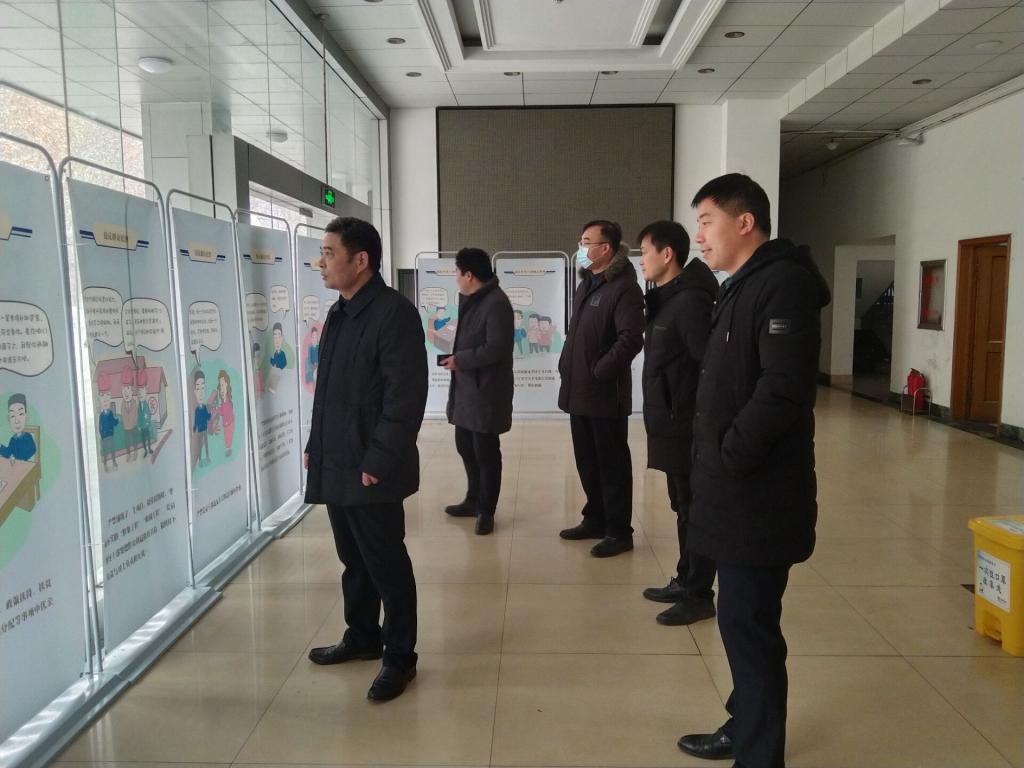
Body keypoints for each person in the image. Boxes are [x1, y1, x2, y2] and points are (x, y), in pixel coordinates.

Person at [677, 174, 830, 768]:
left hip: (759, 494)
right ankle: (744, 725)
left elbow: (783, 389)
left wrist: (729, 454)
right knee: (743, 621)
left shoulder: (782, 285)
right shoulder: (740, 285)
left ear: (745, 222)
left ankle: (759, 754)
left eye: (706, 221)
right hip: (734, 489)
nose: (699, 236)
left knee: (748, 625)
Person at [304, 216, 427, 703]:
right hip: (337, 457)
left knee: (386, 563)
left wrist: (379, 458)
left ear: (361, 260)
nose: (321, 262)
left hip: (372, 466)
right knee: (352, 558)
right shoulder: (340, 312)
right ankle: (362, 636)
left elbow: (405, 398)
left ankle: (399, 656)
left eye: (329, 253)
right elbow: (328, 391)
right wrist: (316, 443)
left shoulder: (393, 314)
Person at [637, 220, 719, 626]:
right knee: (682, 507)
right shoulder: (668, 299)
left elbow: (710, 368)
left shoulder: (689, 303)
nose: (641, 261)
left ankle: (699, 593)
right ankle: (686, 578)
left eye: (644, 253)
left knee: (694, 510)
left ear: (666, 254)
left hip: (686, 425)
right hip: (671, 422)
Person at [557, 220, 644, 558]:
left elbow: (630, 339)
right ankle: (595, 518)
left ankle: (619, 531)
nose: (580, 248)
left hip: (605, 394)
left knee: (612, 465)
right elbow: (576, 333)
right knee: (587, 461)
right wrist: (567, 364)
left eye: (586, 242)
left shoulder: (624, 288)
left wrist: (599, 371)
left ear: (605, 248)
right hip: (579, 390)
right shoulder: (587, 284)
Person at [441, 247, 514, 536]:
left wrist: (460, 360)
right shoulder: (473, 300)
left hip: (486, 392)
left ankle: (486, 510)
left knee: (485, 453)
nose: (456, 278)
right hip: (466, 389)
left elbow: (496, 348)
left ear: (469, 275)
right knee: (465, 446)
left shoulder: (496, 303)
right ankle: (472, 500)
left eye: (457, 272)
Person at [1, 394, 36, 463]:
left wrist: (22, 458)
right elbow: (9, 452)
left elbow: (33, 449)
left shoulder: (28, 437)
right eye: (12, 416)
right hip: (15, 465)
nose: (16, 421)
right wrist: (1, 448)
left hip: (24, 465)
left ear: (26, 416)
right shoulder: (13, 439)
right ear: (8, 419)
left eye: (20, 414)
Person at [192, 369, 211, 468]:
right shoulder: (197, 410)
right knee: (200, 446)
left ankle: (207, 456)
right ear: (194, 391)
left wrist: (210, 414)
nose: (201, 392)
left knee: (206, 444)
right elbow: (196, 420)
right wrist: (194, 427)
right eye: (198, 388)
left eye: (203, 387)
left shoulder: (204, 407)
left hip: (205, 430)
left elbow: (207, 417)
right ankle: (200, 460)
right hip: (200, 431)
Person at [120, 368, 139, 461]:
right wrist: (124, 424)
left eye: (128, 388)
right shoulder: (122, 404)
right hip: (126, 428)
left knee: (134, 440)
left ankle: (135, 452)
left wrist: (134, 423)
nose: (126, 392)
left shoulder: (134, 403)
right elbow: (122, 414)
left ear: (132, 391)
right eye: (124, 389)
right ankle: (128, 454)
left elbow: (136, 414)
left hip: (133, 426)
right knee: (127, 442)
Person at [136, 378, 153, 458]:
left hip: (146, 426)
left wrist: (148, 422)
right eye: (139, 393)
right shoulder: (139, 405)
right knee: (143, 440)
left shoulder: (146, 404)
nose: (140, 395)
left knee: (148, 438)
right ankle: (145, 450)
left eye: (142, 393)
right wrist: (138, 425)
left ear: (145, 393)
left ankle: (149, 449)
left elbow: (149, 414)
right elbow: (138, 416)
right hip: (142, 427)